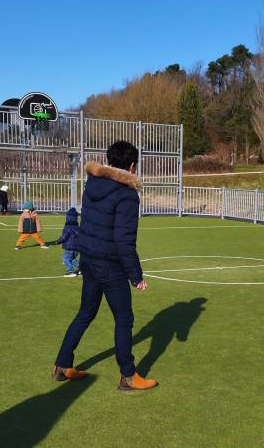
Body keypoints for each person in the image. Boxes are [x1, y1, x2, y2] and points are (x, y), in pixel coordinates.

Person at [52, 140, 157, 392]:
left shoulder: (93, 184)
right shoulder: (127, 194)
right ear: (132, 166)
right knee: (124, 318)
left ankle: (61, 366)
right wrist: (136, 275)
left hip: (89, 260)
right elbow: (124, 240)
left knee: (85, 313)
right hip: (110, 265)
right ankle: (128, 376)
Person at [54, 207, 80, 277]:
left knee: (66, 259)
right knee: (72, 259)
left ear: (67, 218)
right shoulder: (78, 227)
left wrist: (58, 241)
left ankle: (71, 271)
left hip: (69, 247)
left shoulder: (67, 227)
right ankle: (82, 268)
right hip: (77, 248)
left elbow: (64, 237)